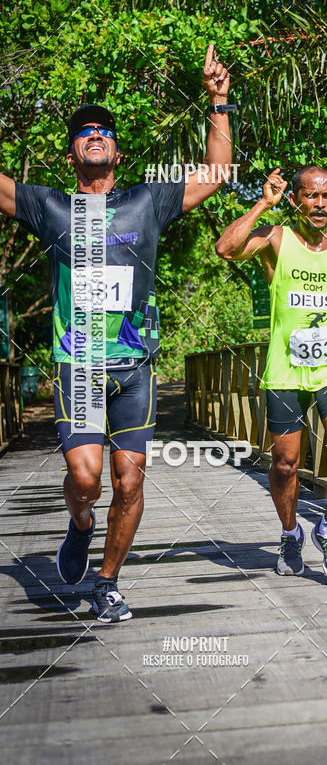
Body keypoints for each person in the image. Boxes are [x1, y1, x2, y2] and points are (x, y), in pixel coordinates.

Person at [1, 45, 233, 622]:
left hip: (134, 367)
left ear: (119, 152)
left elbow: (218, 173)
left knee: (129, 483)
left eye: (105, 130)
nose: (96, 135)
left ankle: (108, 582)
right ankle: (79, 525)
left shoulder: (146, 201)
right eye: (84, 132)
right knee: (85, 478)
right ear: (74, 151)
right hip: (78, 365)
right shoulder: (49, 206)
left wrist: (219, 100)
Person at [216, 166, 327, 580]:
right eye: (311, 196)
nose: (320, 205)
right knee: (286, 464)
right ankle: (291, 533)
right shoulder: (276, 238)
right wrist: (263, 203)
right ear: (296, 200)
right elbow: (226, 249)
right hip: (286, 370)